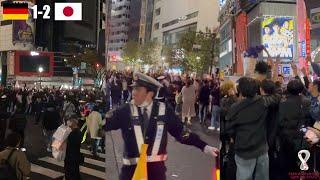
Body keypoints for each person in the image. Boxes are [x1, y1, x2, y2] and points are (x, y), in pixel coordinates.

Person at [104, 72, 219, 180]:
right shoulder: (125, 111)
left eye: (137, 89)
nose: (133, 92)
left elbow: (181, 133)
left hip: (156, 174)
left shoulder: (164, 110)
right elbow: (107, 124)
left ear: (150, 93)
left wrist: (204, 147)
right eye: (133, 88)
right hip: (130, 173)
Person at [225, 77, 281, 180]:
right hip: (262, 148)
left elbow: (230, 129)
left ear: (239, 90)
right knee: (263, 176)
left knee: (244, 176)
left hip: (244, 149)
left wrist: (234, 138)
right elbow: (277, 97)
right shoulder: (263, 101)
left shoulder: (235, 108)